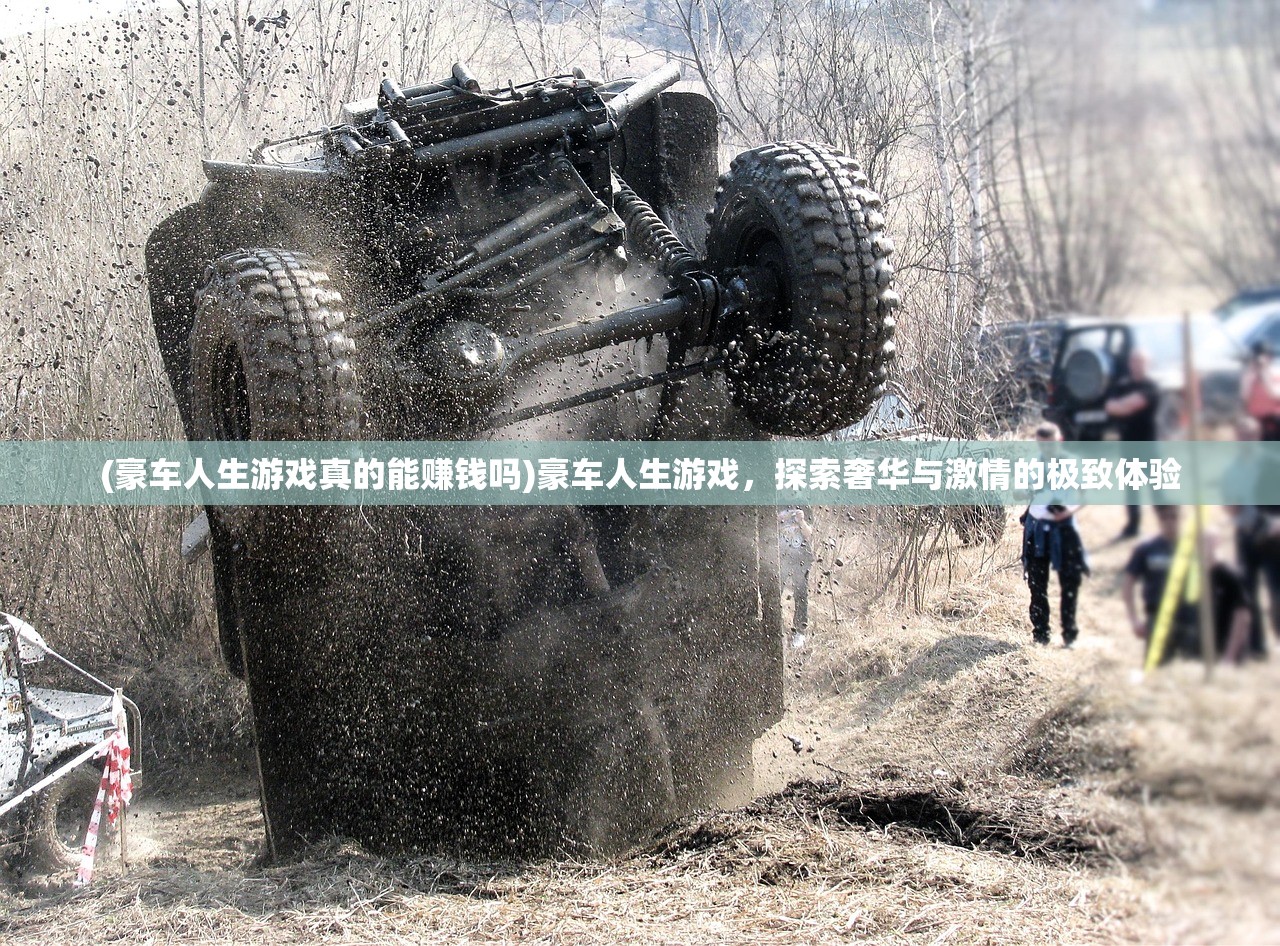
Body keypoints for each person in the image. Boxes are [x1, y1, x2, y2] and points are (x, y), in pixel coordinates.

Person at [1124, 505, 1254, 665]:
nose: (1169, 522)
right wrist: (1134, 620)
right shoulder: (1146, 549)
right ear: (1157, 519)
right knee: (1157, 670)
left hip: (1190, 620)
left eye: (1174, 516)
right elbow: (1128, 584)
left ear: (1181, 517)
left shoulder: (1193, 549)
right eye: (1164, 517)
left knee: (1191, 669)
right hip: (1157, 617)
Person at [1021, 422, 1088, 647]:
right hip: (1036, 530)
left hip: (1064, 528)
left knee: (1070, 584)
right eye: (1042, 445)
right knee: (1037, 585)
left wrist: (1067, 511)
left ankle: (1070, 634)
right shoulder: (1032, 464)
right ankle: (1040, 634)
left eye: (1050, 445)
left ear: (1059, 441)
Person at [1225, 416, 1280, 653]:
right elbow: (1229, 506)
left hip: (1273, 536)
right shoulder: (1232, 469)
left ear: (1258, 436)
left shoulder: (1273, 464)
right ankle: (1258, 646)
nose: (1245, 441)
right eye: (1241, 436)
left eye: (1249, 436)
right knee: (1248, 593)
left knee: (1277, 592)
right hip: (1245, 535)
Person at [1105, 349, 1160, 540]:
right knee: (1132, 490)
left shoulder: (1151, 387)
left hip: (1148, 445)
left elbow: (1126, 407)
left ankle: (1168, 526)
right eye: (1134, 361)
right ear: (1130, 364)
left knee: (1157, 489)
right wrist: (1121, 406)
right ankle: (1133, 526)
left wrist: (1121, 406)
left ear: (1147, 364)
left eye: (1141, 362)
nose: (1137, 365)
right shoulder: (1123, 385)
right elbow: (1110, 407)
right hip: (1128, 446)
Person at [778, 507, 813, 649]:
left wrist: (801, 521)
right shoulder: (775, 504)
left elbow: (809, 534)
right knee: (774, 592)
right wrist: (780, 519)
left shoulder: (805, 506)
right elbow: (766, 530)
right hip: (780, 557)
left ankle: (800, 632)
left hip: (801, 558)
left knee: (801, 594)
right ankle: (774, 626)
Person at [1241, 340, 1280, 441]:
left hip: (1275, 418)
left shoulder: (1276, 373)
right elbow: (1244, 397)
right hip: (1256, 419)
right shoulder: (1249, 375)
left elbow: (1275, 394)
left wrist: (1265, 375)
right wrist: (1251, 376)